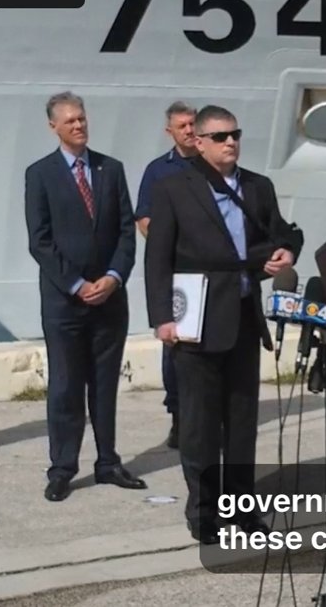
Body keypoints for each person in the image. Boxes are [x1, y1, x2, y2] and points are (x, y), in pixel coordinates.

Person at [144, 105, 302, 544]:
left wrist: (287, 252)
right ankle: (204, 511)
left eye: (235, 134)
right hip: (196, 317)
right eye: (220, 136)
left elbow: (281, 232)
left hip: (244, 317)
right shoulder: (173, 188)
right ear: (198, 142)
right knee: (199, 424)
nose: (230, 142)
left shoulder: (257, 186)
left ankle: (242, 507)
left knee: (241, 421)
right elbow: (158, 257)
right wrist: (162, 318)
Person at [24, 91, 144, 502]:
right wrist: (76, 284)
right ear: (53, 126)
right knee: (65, 386)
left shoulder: (111, 169)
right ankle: (62, 468)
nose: (79, 125)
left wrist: (113, 277)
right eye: (70, 121)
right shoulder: (40, 174)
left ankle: (108, 462)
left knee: (105, 385)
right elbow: (39, 241)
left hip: (110, 300)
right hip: (65, 303)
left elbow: (126, 232)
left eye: (82, 118)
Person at [134, 101, 200, 449]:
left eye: (192, 124)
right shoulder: (158, 171)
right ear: (169, 131)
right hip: (176, 272)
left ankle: (208, 418)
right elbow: (143, 218)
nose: (189, 130)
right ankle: (178, 417)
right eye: (182, 126)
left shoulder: (212, 164)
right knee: (174, 344)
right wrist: (170, 243)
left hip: (210, 271)